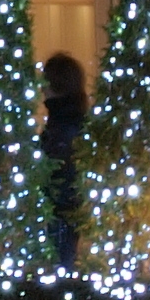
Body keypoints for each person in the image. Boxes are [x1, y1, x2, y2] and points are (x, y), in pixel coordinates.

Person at [40, 52, 87, 272]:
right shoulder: (73, 120)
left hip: (61, 214)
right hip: (70, 212)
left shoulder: (61, 126)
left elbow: (60, 173)